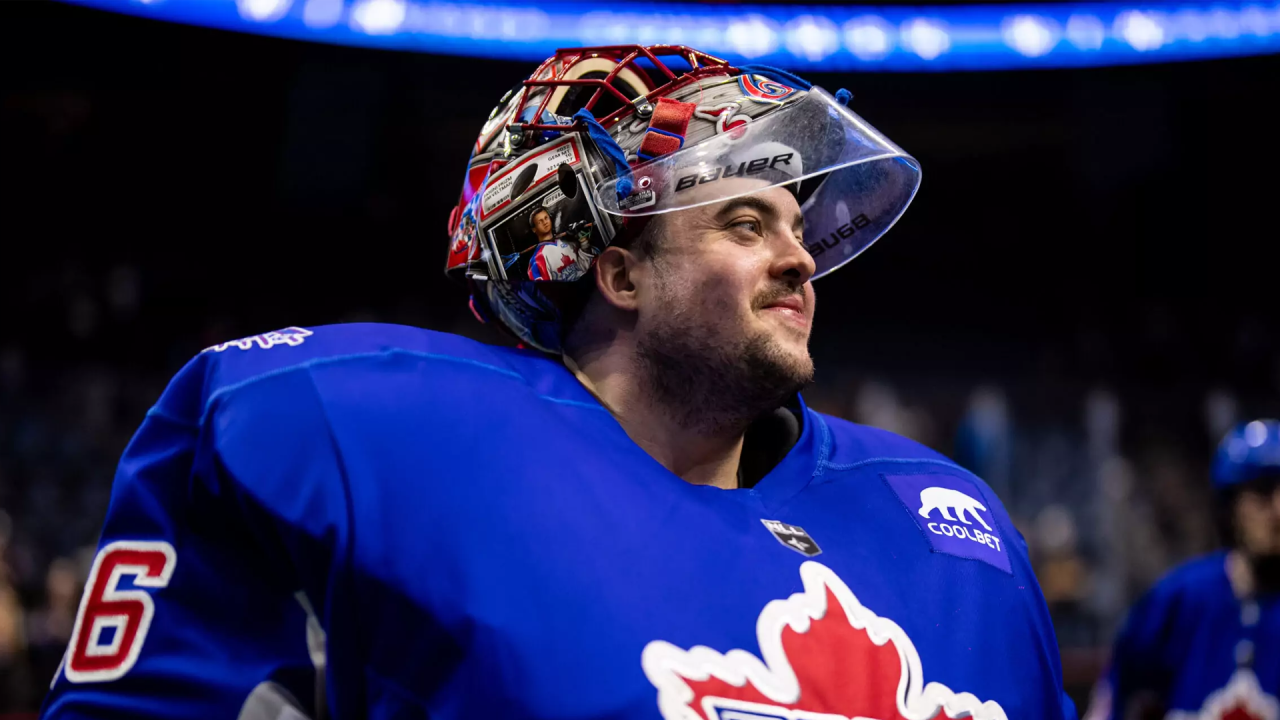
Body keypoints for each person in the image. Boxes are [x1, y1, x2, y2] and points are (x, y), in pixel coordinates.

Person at [42, 45, 1074, 719]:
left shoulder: (949, 522)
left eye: (798, 228)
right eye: (745, 222)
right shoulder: (367, 429)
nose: (800, 259)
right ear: (617, 271)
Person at [1086, 419, 1280, 720]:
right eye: (1263, 491)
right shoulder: (1180, 599)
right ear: (1231, 505)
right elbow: (1117, 696)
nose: (1278, 510)